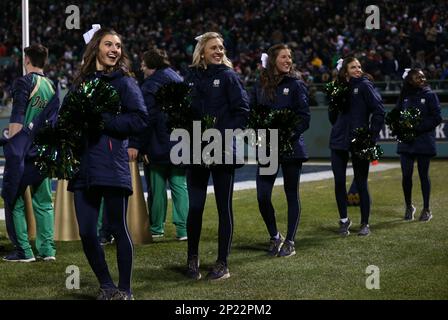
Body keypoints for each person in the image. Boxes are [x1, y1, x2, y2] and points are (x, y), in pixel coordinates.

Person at [67, 28, 147, 300]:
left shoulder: (125, 82)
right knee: (88, 232)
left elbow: (139, 119)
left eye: (118, 45)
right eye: (109, 44)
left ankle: (125, 290)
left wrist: (104, 121)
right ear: (95, 48)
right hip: (83, 167)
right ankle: (107, 285)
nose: (115, 49)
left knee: (117, 227)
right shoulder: (81, 83)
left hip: (112, 164)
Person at [185, 32, 249, 280]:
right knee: (196, 206)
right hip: (195, 148)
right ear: (202, 51)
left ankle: (222, 263)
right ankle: (192, 257)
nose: (219, 51)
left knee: (224, 208)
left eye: (221, 48)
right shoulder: (191, 77)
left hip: (222, 148)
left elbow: (242, 111)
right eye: (213, 47)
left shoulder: (229, 76)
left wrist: (220, 135)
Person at [251, 44, 310, 257]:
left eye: (290, 57)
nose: (288, 60)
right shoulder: (260, 84)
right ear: (273, 59)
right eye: (284, 57)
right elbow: (252, 112)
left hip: (291, 146)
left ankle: (291, 241)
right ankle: (275, 236)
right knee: (262, 196)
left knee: (291, 193)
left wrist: (288, 134)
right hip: (267, 145)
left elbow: (304, 117)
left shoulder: (296, 84)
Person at [2, 44, 56, 262]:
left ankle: (24, 251)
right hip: (43, 151)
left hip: (23, 151)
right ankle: (48, 250)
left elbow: (17, 116)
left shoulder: (24, 82)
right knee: (43, 201)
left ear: (27, 60)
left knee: (13, 199)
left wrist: (13, 147)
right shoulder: (52, 86)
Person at [128, 48, 188, 241]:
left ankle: (156, 227)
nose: (141, 67)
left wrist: (140, 145)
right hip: (180, 141)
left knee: (157, 186)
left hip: (157, 143)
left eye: (144, 64)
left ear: (152, 65)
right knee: (180, 185)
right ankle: (184, 229)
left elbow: (147, 119)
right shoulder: (179, 79)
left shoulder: (149, 86)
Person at [329, 57, 385, 236]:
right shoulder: (338, 88)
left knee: (361, 182)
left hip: (359, 140)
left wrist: (371, 136)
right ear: (345, 71)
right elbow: (332, 115)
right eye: (353, 67)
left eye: (359, 66)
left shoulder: (364, 85)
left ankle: (365, 223)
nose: (358, 70)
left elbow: (379, 111)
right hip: (338, 140)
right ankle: (344, 220)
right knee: (339, 181)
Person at [395, 69, 442, 221]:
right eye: (418, 77)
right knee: (406, 175)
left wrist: (416, 127)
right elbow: (396, 115)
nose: (422, 78)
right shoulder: (404, 97)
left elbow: (437, 118)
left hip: (423, 141)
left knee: (423, 175)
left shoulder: (429, 95)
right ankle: (409, 206)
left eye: (423, 76)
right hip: (406, 143)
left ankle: (427, 208)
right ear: (409, 81)